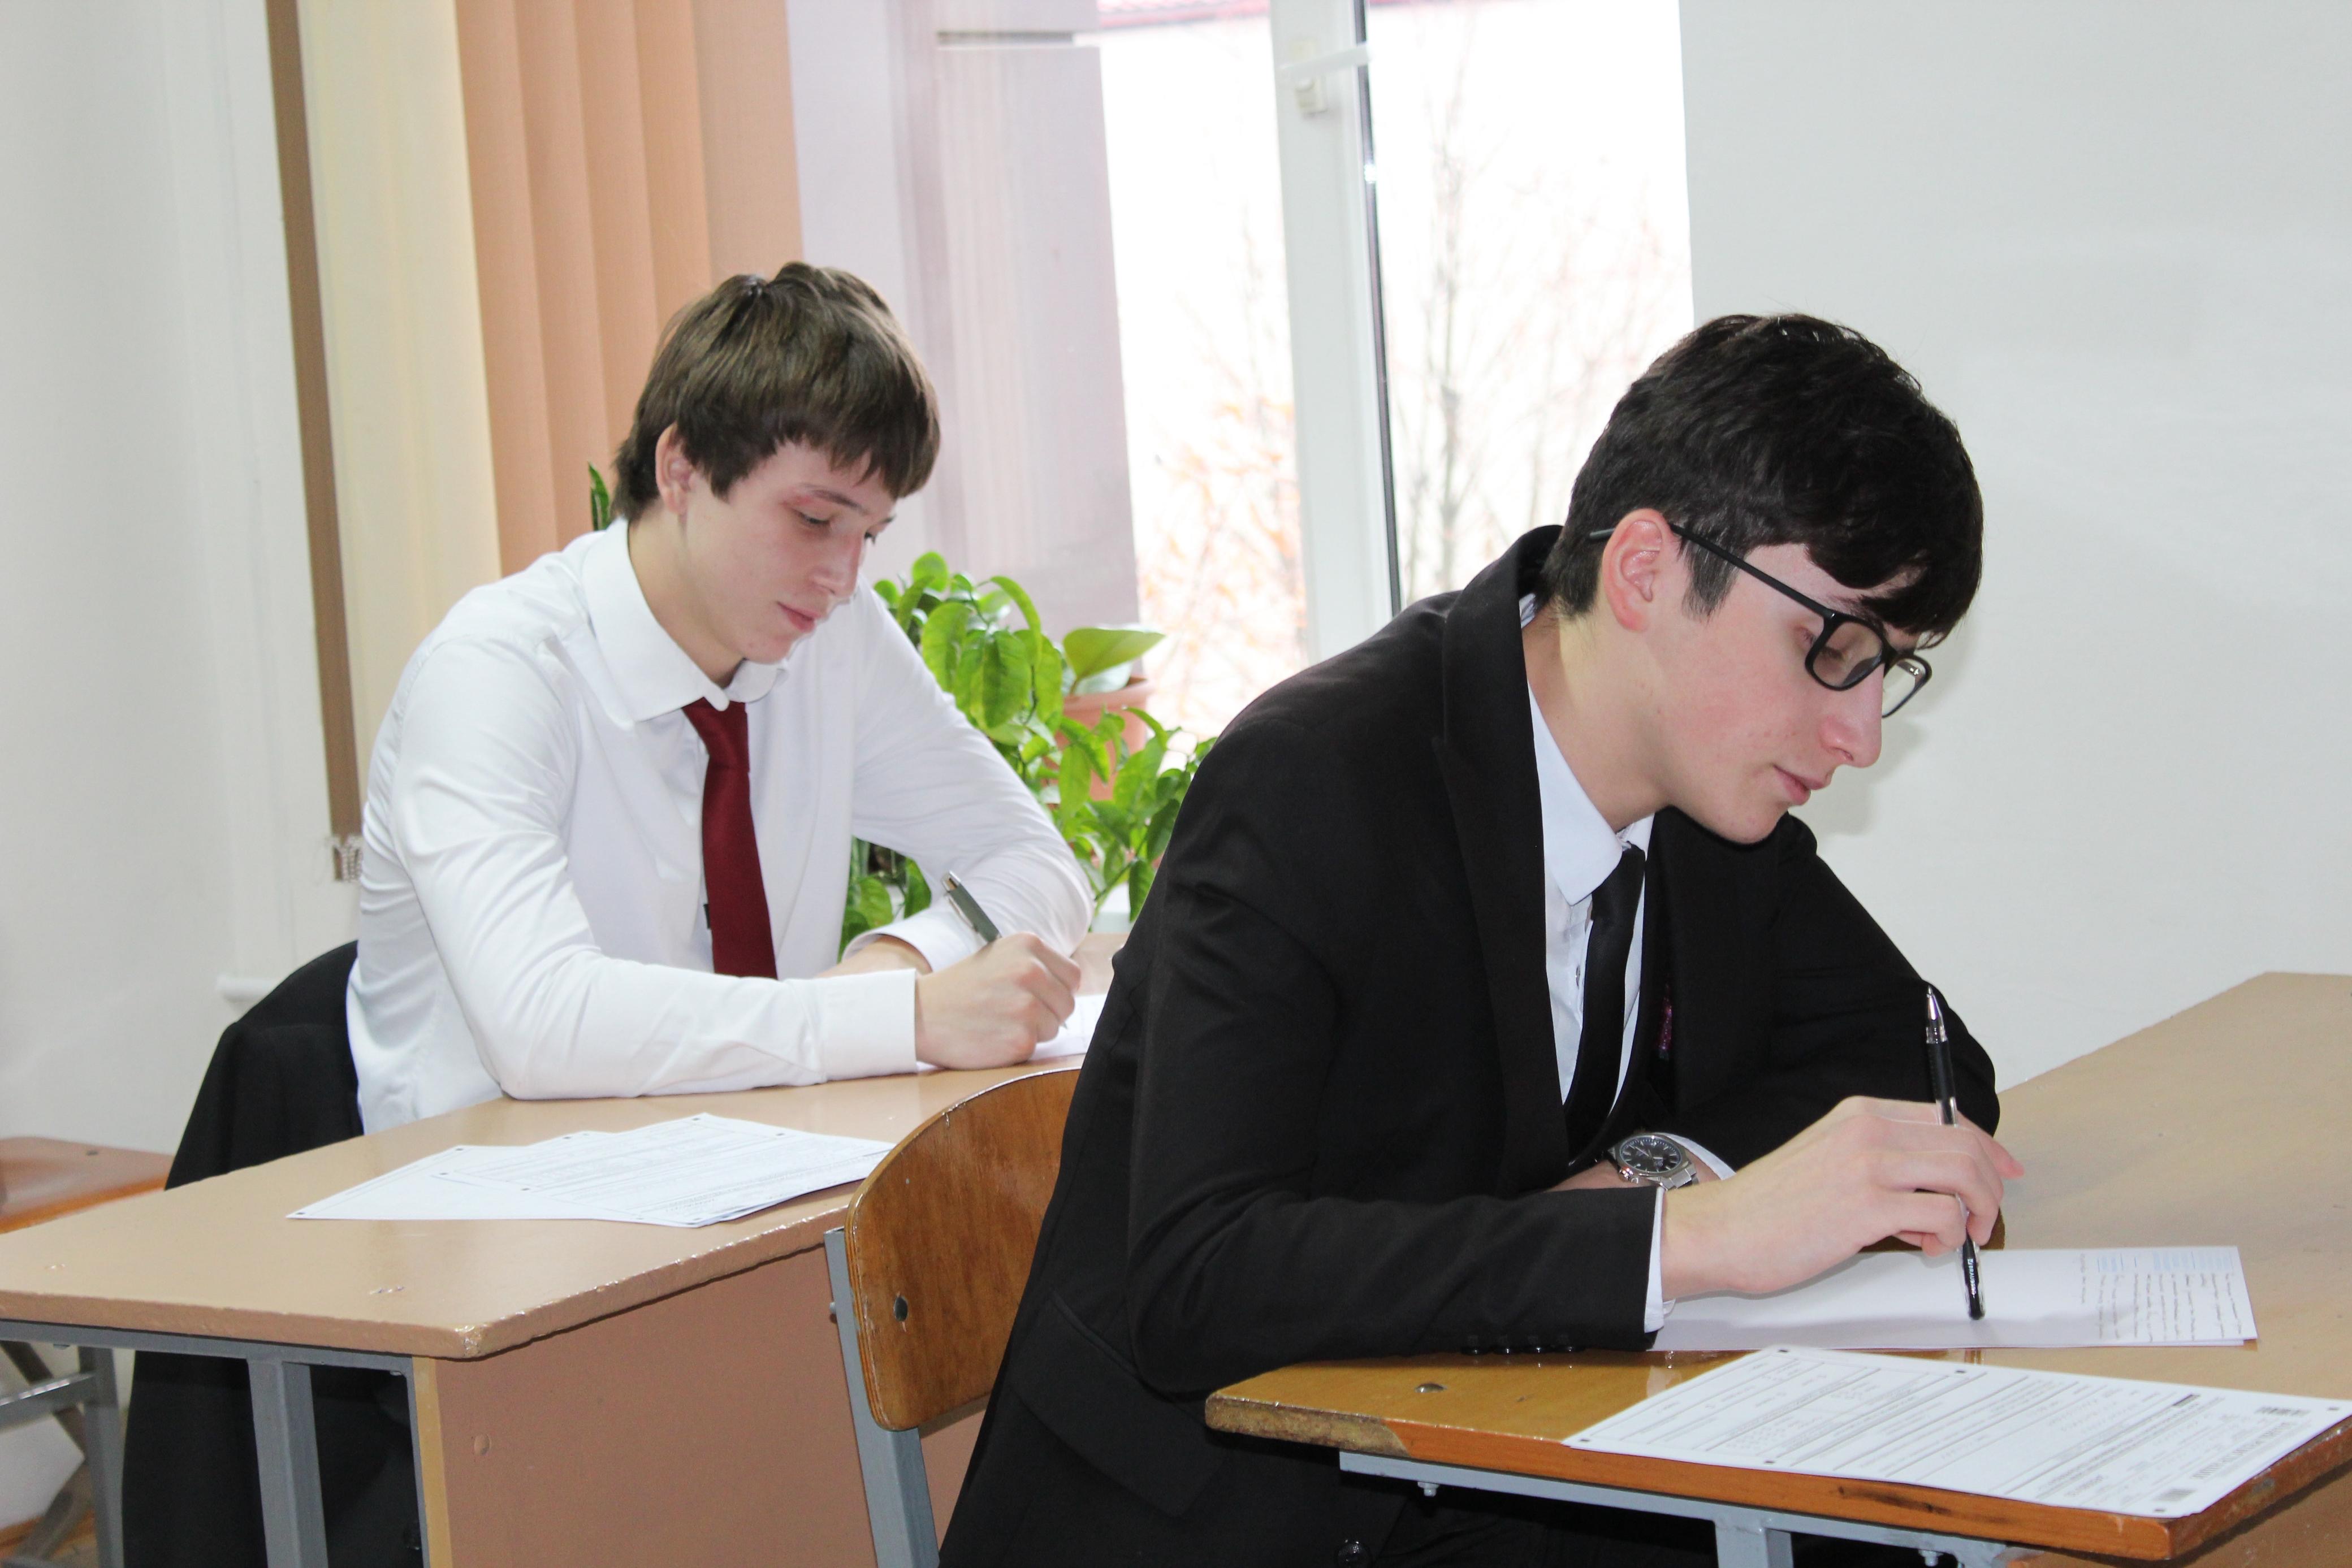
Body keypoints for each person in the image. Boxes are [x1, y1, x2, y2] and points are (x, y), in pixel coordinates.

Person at [941, 314, 2021, 1567]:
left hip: (1484, 1470)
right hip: (1214, 1518)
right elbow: (1203, 1276)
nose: (1859, 735)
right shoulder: (1314, 780)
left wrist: (1657, 1177)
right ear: (1645, 571)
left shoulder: (1714, 806)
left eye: (1887, 670)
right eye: (1830, 649)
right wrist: (1693, 1238)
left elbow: (1929, 1062)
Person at [346, 263, 1089, 1132]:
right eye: (815, 520)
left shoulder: (833, 641)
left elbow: (1032, 859)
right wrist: (900, 1017)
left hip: (752, 1168)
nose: (843, 576)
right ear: (682, 470)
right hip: (489, 1188)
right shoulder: (494, 671)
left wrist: (899, 962)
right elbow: (538, 1023)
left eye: (869, 534)